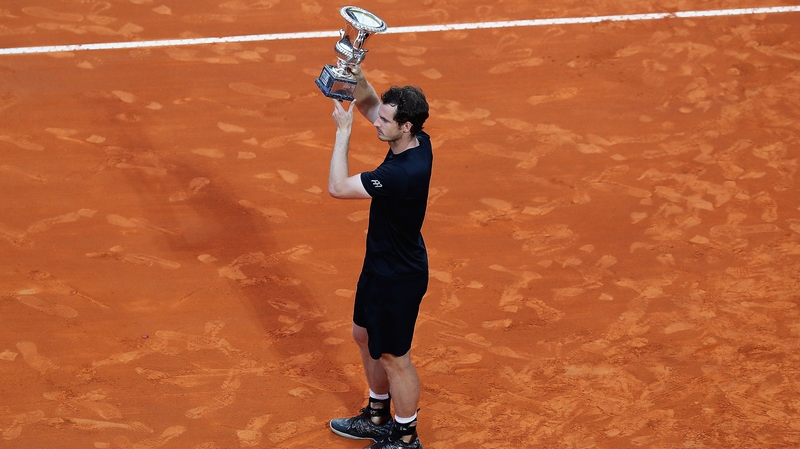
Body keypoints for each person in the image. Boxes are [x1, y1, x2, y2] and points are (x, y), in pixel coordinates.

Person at [326, 63, 431, 449]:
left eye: (385, 121)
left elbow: (338, 188)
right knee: (362, 334)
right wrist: (356, 73)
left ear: (405, 126)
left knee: (394, 356)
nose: (376, 123)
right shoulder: (417, 139)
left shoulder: (400, 173)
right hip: (380, 264)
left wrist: (343, 132)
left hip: (399, 277)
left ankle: (405, 436)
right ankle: (377, 414)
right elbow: (371, 104)